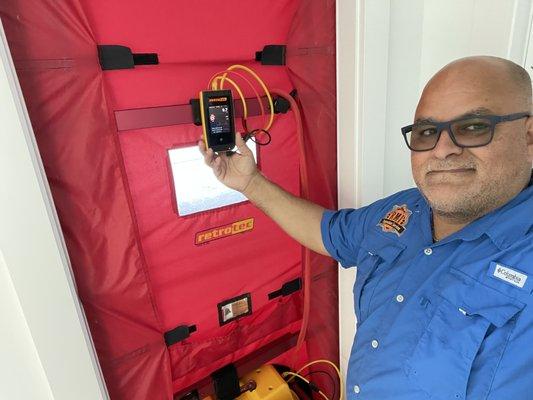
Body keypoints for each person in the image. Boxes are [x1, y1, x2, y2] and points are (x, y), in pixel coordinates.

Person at [199, 56, 533, 400]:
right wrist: (250, 182)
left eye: (474, 127)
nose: (443, 150)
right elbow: (328, 232)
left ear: (529, 136)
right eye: (426, 132)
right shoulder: (405, 209)